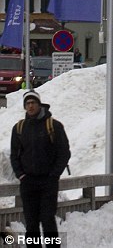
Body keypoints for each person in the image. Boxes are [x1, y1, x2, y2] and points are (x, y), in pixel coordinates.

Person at [10, 90, 71, 243]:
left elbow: (64, 153)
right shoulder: (19, 128)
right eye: (27, 104)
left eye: (33, 103)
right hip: (28, 182)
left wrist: (54, 175)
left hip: (48, 182)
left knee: (48, 220)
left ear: (39, 104)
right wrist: (21, 175)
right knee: (31, 224)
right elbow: (14, 155)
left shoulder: (53, 126)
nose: (30, 106)